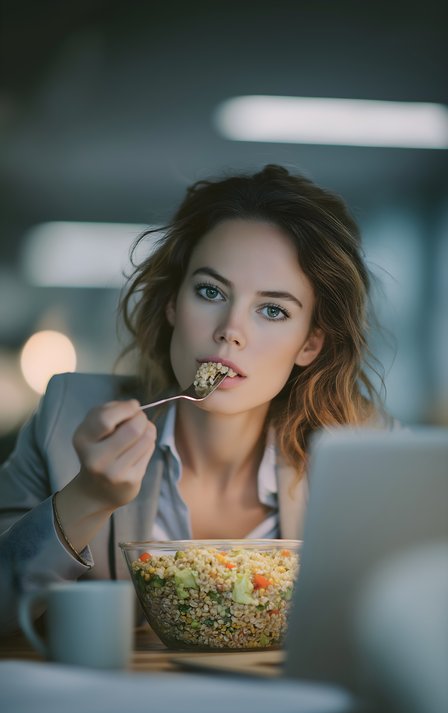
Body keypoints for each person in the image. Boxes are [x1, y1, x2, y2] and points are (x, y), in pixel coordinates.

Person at [0, 164, 388, 633]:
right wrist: (88, 497)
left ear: (310, 343)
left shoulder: (364, 454)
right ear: (172, 303)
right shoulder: (64, 415)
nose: (230, 330)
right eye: (210, 291)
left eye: (272, 310)